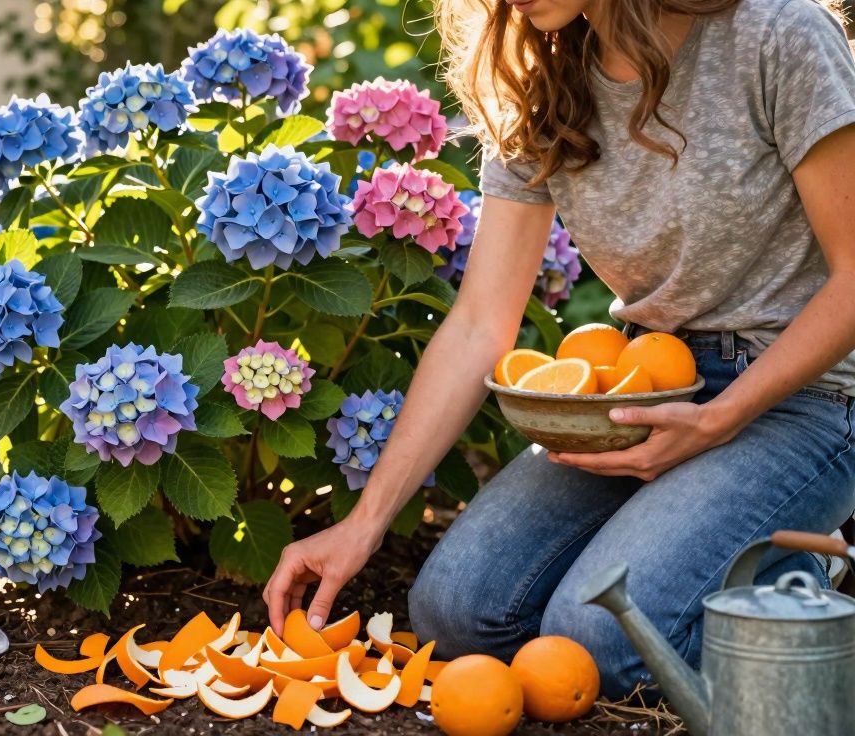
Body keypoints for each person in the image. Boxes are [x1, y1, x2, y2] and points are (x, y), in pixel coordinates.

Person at [263, 0, 855, 697]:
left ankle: (801, 605)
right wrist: (360, 528)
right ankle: (734, 560)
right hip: (645, 390)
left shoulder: (775, 35)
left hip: (804, 398)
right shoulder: (538, 74)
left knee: (598, 642)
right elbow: (482, 322)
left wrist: (717, 422)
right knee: (457, 613)